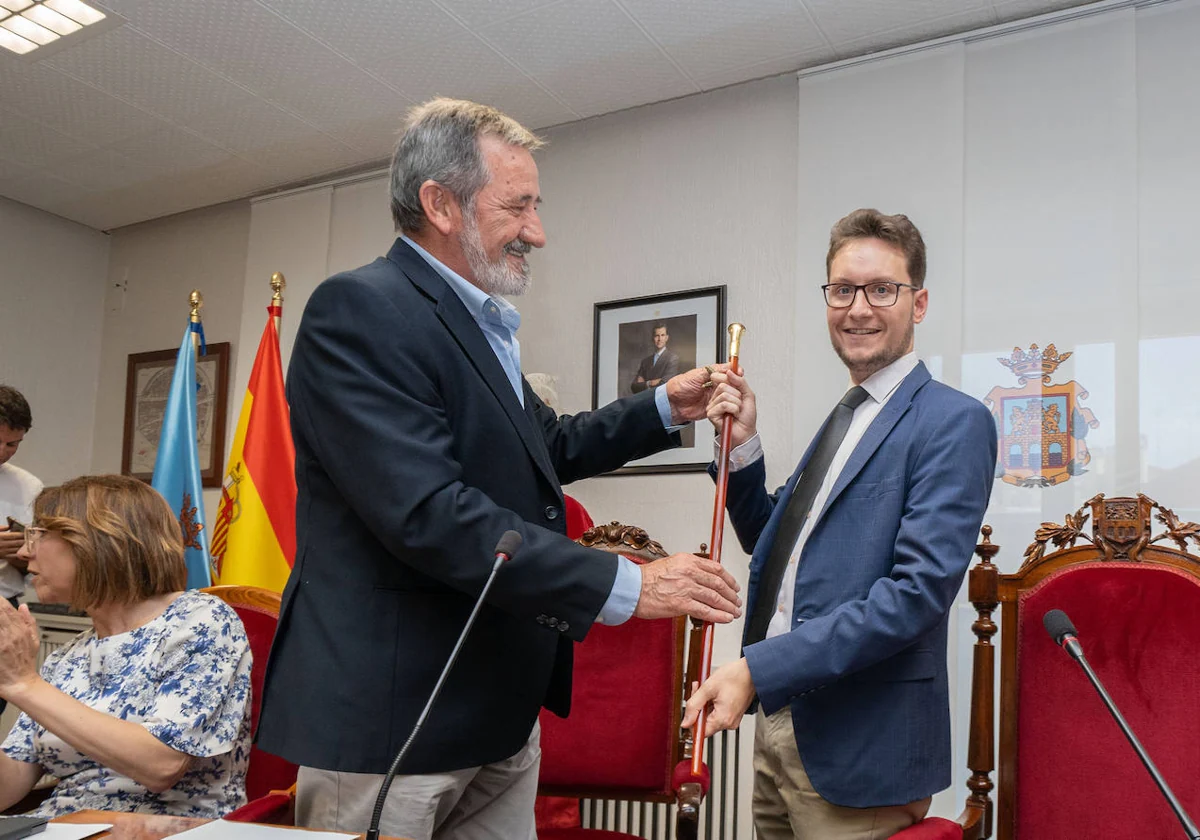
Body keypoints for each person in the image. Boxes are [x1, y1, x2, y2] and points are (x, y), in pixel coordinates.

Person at [257, 98, 741, 840]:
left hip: (500, 715)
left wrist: (664, 409)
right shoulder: (358, 310)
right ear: (440, 204)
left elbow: (549, 448)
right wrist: (629, 583)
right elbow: (428, 514)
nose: (537, 231)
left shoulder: (477, 325)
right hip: (398, 722)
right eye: (519, 206)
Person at [684, 209, 998, 839]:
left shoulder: (952, 421)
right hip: (782, 727)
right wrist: (743, 447)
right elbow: (773, 545)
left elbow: (915, 595)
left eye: (882, 289)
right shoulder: (846, 417)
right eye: (843, 290)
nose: (859, 308)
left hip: (863, 748)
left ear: (920, 302)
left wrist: (756, 670)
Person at [0, 474, 252, 818]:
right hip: (62, 825)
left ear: (97, 543)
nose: (25, 550)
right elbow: (9, 785)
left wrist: (24, 685)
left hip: (167, 830)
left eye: (38, 535)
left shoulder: (200, 622)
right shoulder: (67, 657)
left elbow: (161, 765)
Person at [0, 386, 43, 720]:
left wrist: (22, 554)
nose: (3, 452)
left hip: (5, 608)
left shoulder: (29, 486)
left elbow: (39, 564)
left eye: (12, 444)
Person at [630, 323, 681, 394]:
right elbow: (634, 387)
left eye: (662, 335)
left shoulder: (672, 358)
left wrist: (644, 383)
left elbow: (666, 384)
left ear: (667, 338)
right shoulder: (645, 361)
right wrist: (650, 383)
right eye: (657, 336)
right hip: (645, 402)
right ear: (653, 338)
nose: (659, 339)